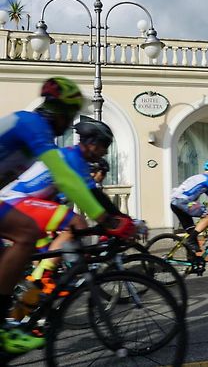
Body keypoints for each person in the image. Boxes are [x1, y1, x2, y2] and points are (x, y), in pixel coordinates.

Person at [0, 77, 134, 355]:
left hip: (16, 201)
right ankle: (9, 322)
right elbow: (70, 184)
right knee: (53, 226)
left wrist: (111, 219)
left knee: (58, 235)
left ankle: (19, 311)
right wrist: (108, 222)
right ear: (62, 112)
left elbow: (93, 195)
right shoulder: (34, 126)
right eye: (70, 115)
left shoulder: (44, 136)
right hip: (17, 201)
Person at [0, 116, 123, 290]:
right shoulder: (73, 157)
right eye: (105, 146)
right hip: (15, 200)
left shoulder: (75, 158)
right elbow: (94, 195)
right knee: (77, 223)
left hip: (25, 202)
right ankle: (40, 281)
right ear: (92, 143)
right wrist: (120, 220)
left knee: (50, 252)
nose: (106, 152)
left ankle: (33, 299)